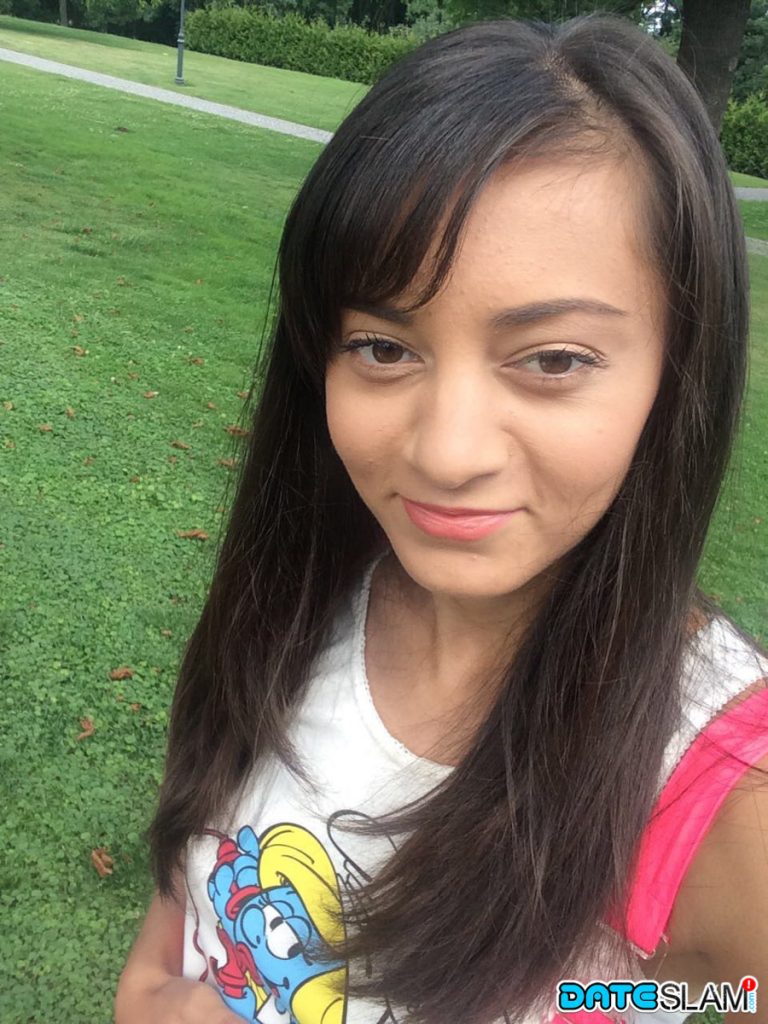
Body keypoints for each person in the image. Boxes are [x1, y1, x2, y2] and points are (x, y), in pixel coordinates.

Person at [114, 11, 768, 1024]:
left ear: (674, 374)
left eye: (553, 360)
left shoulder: (722, 789)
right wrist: (154, 995)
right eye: (383, 348)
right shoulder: (299, 591)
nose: (446, 453)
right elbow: (188, 888)